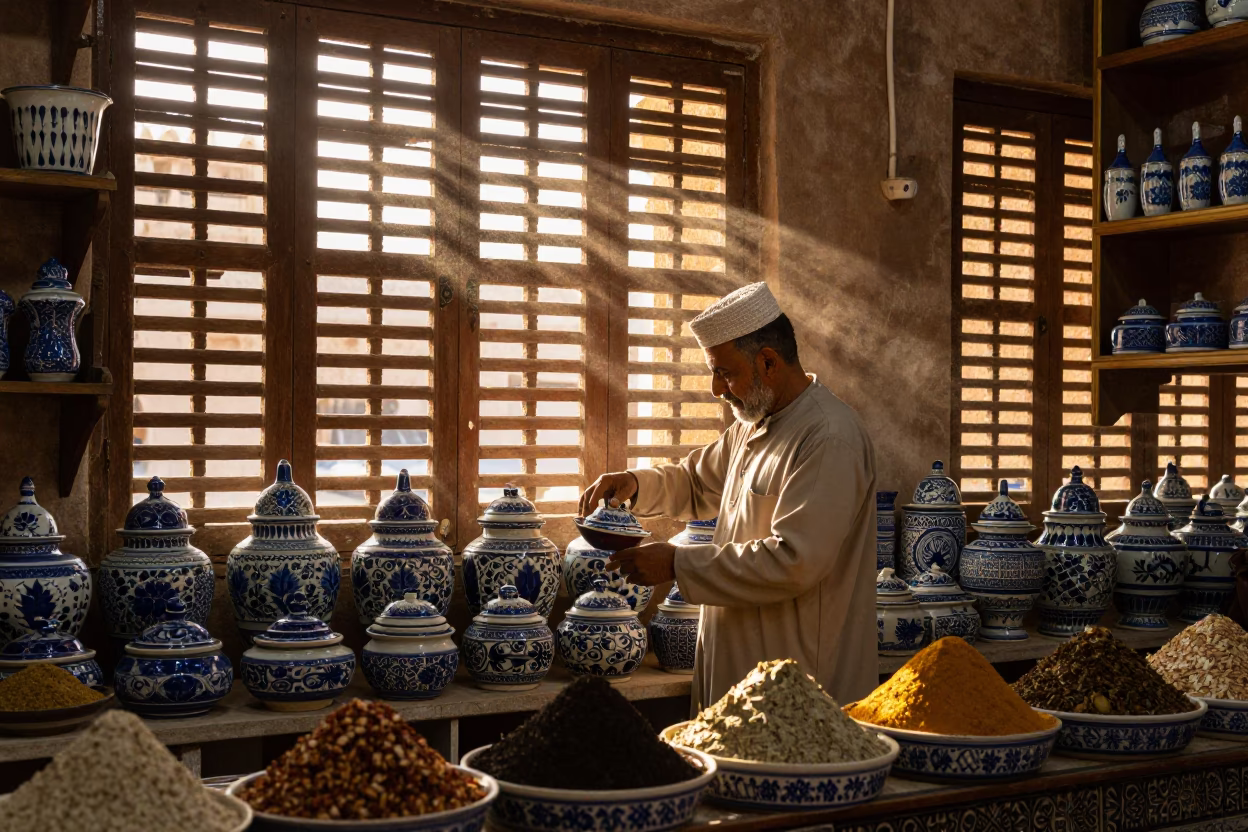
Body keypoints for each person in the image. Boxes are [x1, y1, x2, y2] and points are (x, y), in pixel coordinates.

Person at [580, 281, 878, 710]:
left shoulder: (827, 436)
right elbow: (697, 482)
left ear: (769, 362)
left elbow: (795, 561)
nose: (717, 389)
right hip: (744, 676)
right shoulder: (754, 424)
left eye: (725, 372)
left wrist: (676, 562)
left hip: (800, 690)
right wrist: (635, 483)